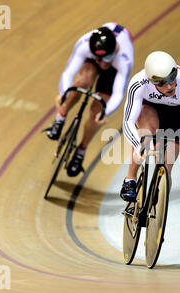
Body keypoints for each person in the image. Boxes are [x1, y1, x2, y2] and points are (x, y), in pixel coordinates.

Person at [45, 22, 134, 177]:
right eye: (98, 59)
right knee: (83, 81)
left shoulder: (124, 59)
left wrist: (105, 111)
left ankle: (81, 150)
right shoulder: (85, 45)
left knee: (97, 110)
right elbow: (68, 73)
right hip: (94, 57)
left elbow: (118, 93)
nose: (102, 64)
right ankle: (60, 118)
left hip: (114, 69)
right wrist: (63, 95)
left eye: (106, 58)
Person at [120, 51, 180, 201]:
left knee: (167, 165)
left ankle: (159, 196)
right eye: (163, 83)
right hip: (149, 108)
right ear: (151, 81)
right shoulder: (139, 83)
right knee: (145, 135)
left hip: (173, 114)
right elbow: (128, 122)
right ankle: (130, 179)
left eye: (172, 78)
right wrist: (137, 145)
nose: (170, 85)